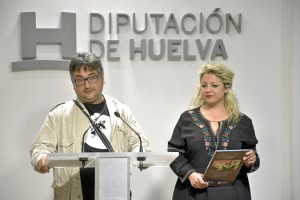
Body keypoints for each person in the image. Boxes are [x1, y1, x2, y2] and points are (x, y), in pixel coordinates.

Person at [30, 52, 151, 200]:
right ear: (73, 84)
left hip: (115, 193)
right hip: (73, 194)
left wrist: (141, 157)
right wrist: (41, 160)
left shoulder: (120, 110)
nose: (87, 85)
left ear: (103, 78)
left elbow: (140, 142)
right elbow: (39, 149)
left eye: (92, 77)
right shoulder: (59, 114)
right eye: (80, 80)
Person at [167, 63, 260, 200]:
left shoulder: (243, 122)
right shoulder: (187, 118)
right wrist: (191, 174)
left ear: (226, 88)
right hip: (193, 193)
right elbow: (174, 154)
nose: (208, 90)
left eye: (214, 85)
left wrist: (250, 160)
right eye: (204, 85)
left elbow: (252, 157)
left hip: (233, 193)